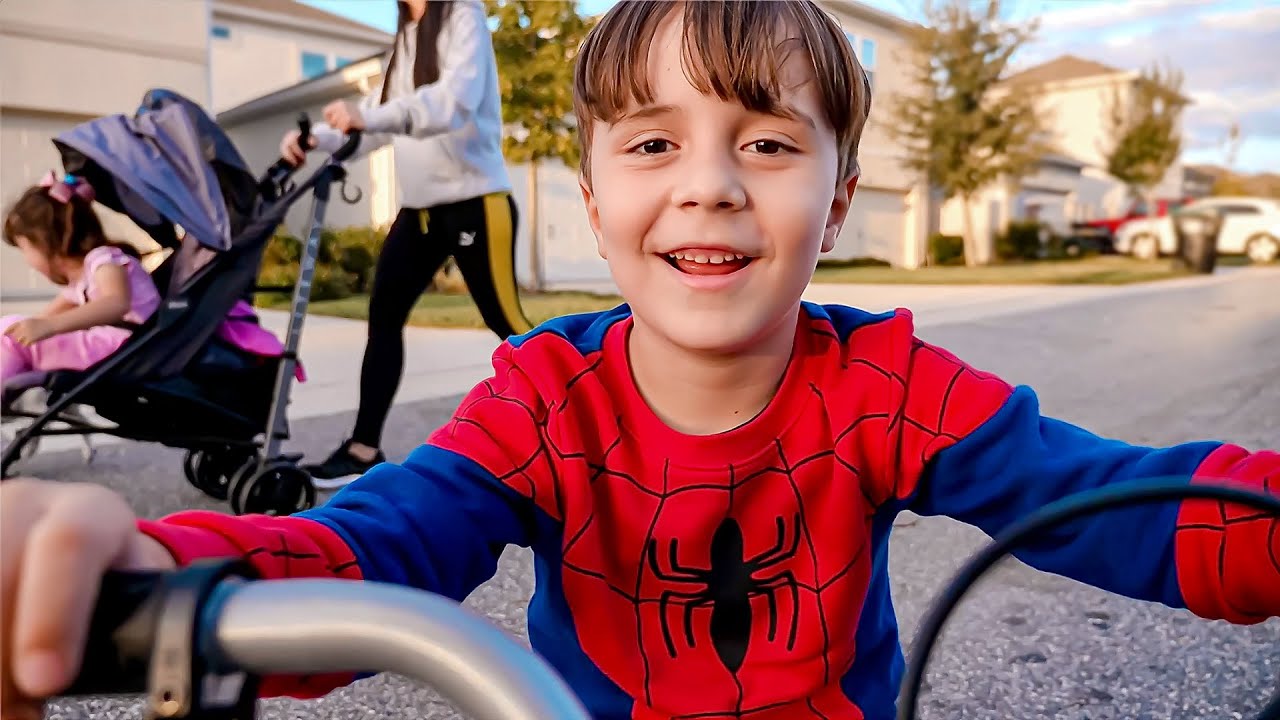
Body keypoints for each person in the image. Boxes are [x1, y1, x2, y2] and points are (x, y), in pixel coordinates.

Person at [2, 3, 1277, 719]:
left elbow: (1130, 509)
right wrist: (155, 562)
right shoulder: (542, 403)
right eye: (653, 146)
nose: (711, 186)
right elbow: (370, 550)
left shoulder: (888, 389)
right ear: (597, 194)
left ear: (836, 205)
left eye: (769, 145)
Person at [280, 0, 532, 487]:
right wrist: (318, 140)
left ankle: (597, 415)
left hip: (476, 201)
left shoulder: (464, 16)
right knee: (384, 318)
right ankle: (362, 448)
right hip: (420, 212)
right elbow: (375, 125)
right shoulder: (407, 38)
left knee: (512, 326)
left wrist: (368, 118)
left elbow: (454, 102)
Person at [1, 173, 160, 386]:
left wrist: (49, 326)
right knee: (10, 331)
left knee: (9, 333)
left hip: (126, 349)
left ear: (46, 243)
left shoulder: (104, 260)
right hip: (120, 349)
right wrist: (33, 326)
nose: (27, 260)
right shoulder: (83, 280)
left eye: (25, 249)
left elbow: (116, 302)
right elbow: (36, 321)